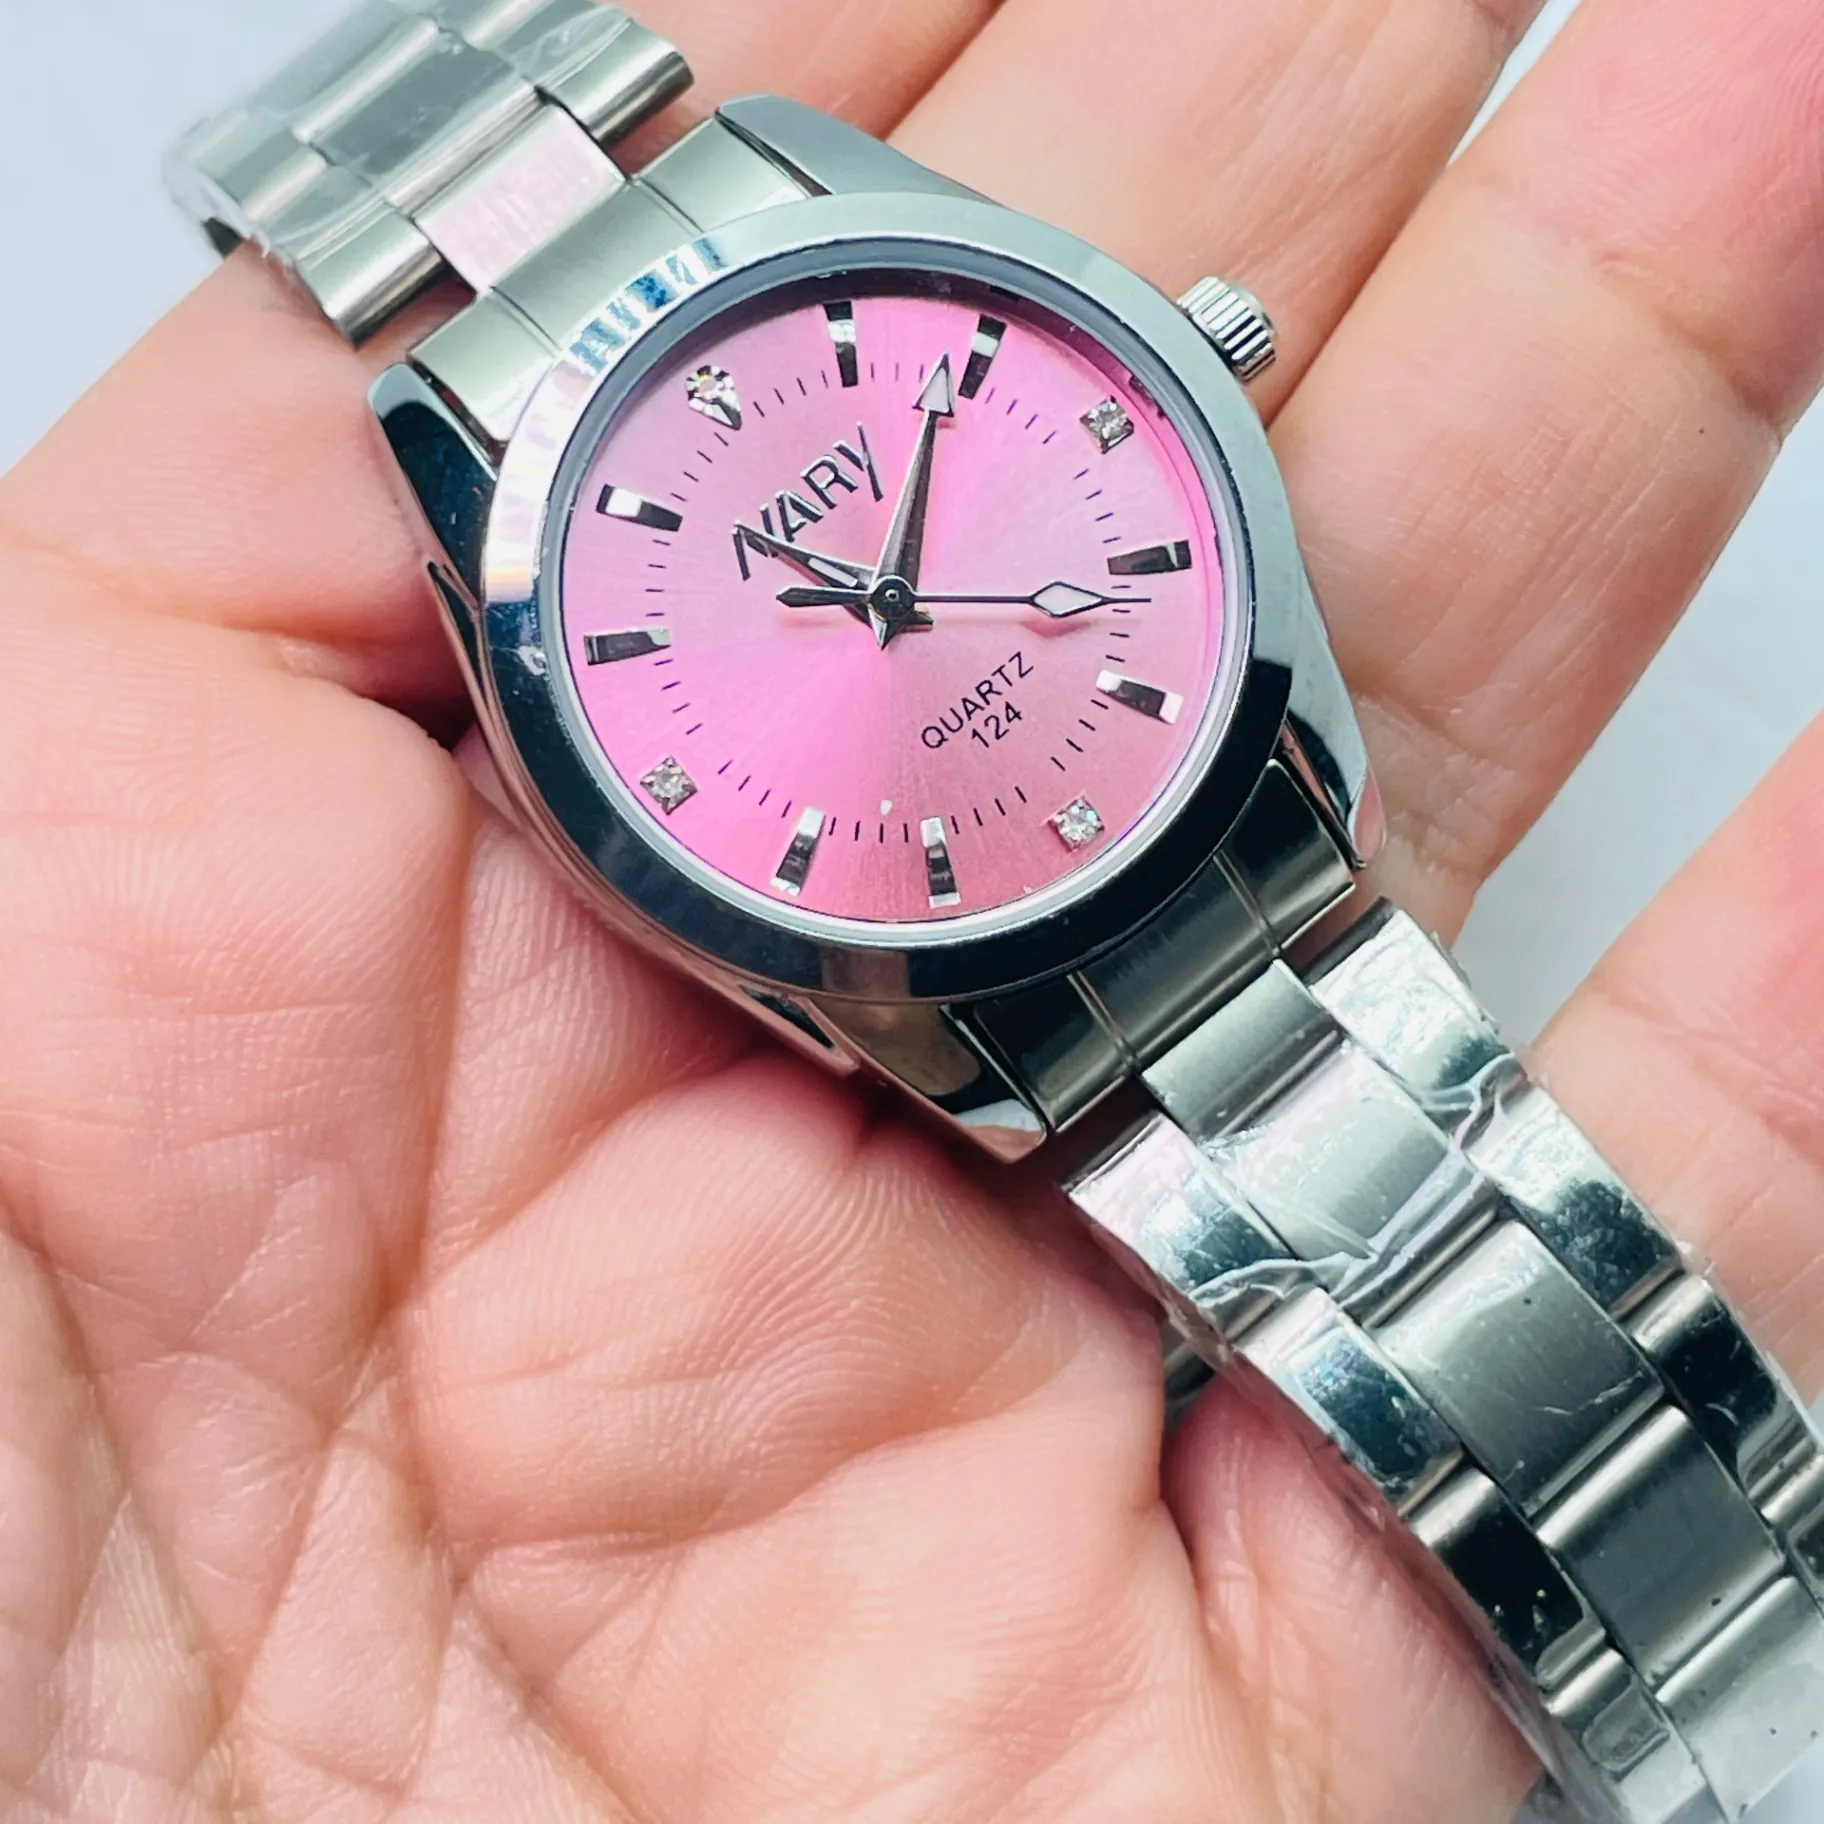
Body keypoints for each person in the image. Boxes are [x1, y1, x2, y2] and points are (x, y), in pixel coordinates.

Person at [1, 0, 1821, 1815]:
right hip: (1011, 1005)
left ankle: (1744, 1636)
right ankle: (1726, 1667)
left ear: (1180, 365)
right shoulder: (470, 431)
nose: (883, 612)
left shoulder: (787, 189)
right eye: (862, 606)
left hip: (1224, 805)